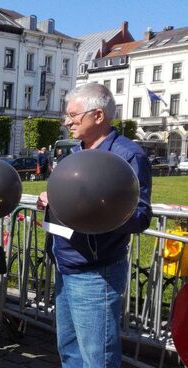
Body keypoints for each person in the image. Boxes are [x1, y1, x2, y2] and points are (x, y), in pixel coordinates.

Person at [36, 83, 152, 367]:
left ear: (97, 115)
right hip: (66, 265)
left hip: (96, 273)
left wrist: (98, 208)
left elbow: (140, 216)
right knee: (71, 353)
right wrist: (53, 199)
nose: (66, 122)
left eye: (73, 115)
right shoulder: (77, 153)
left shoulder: (128, 156)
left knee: (97, 358)